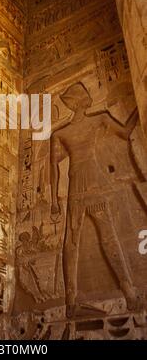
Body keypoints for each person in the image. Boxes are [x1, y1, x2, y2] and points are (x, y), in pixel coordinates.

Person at [50, 83, 139, 317]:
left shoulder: (64, 132)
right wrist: (53, 200)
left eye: (70, 100)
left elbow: (126, 132)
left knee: (83, 242)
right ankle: (76, 301)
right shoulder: (64, 132)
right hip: (87, 187)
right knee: (85, 241)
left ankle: (126, 291)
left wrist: (140, 100)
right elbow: (127, 130)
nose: (70, 103)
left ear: (76, 102)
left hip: (84, 187)